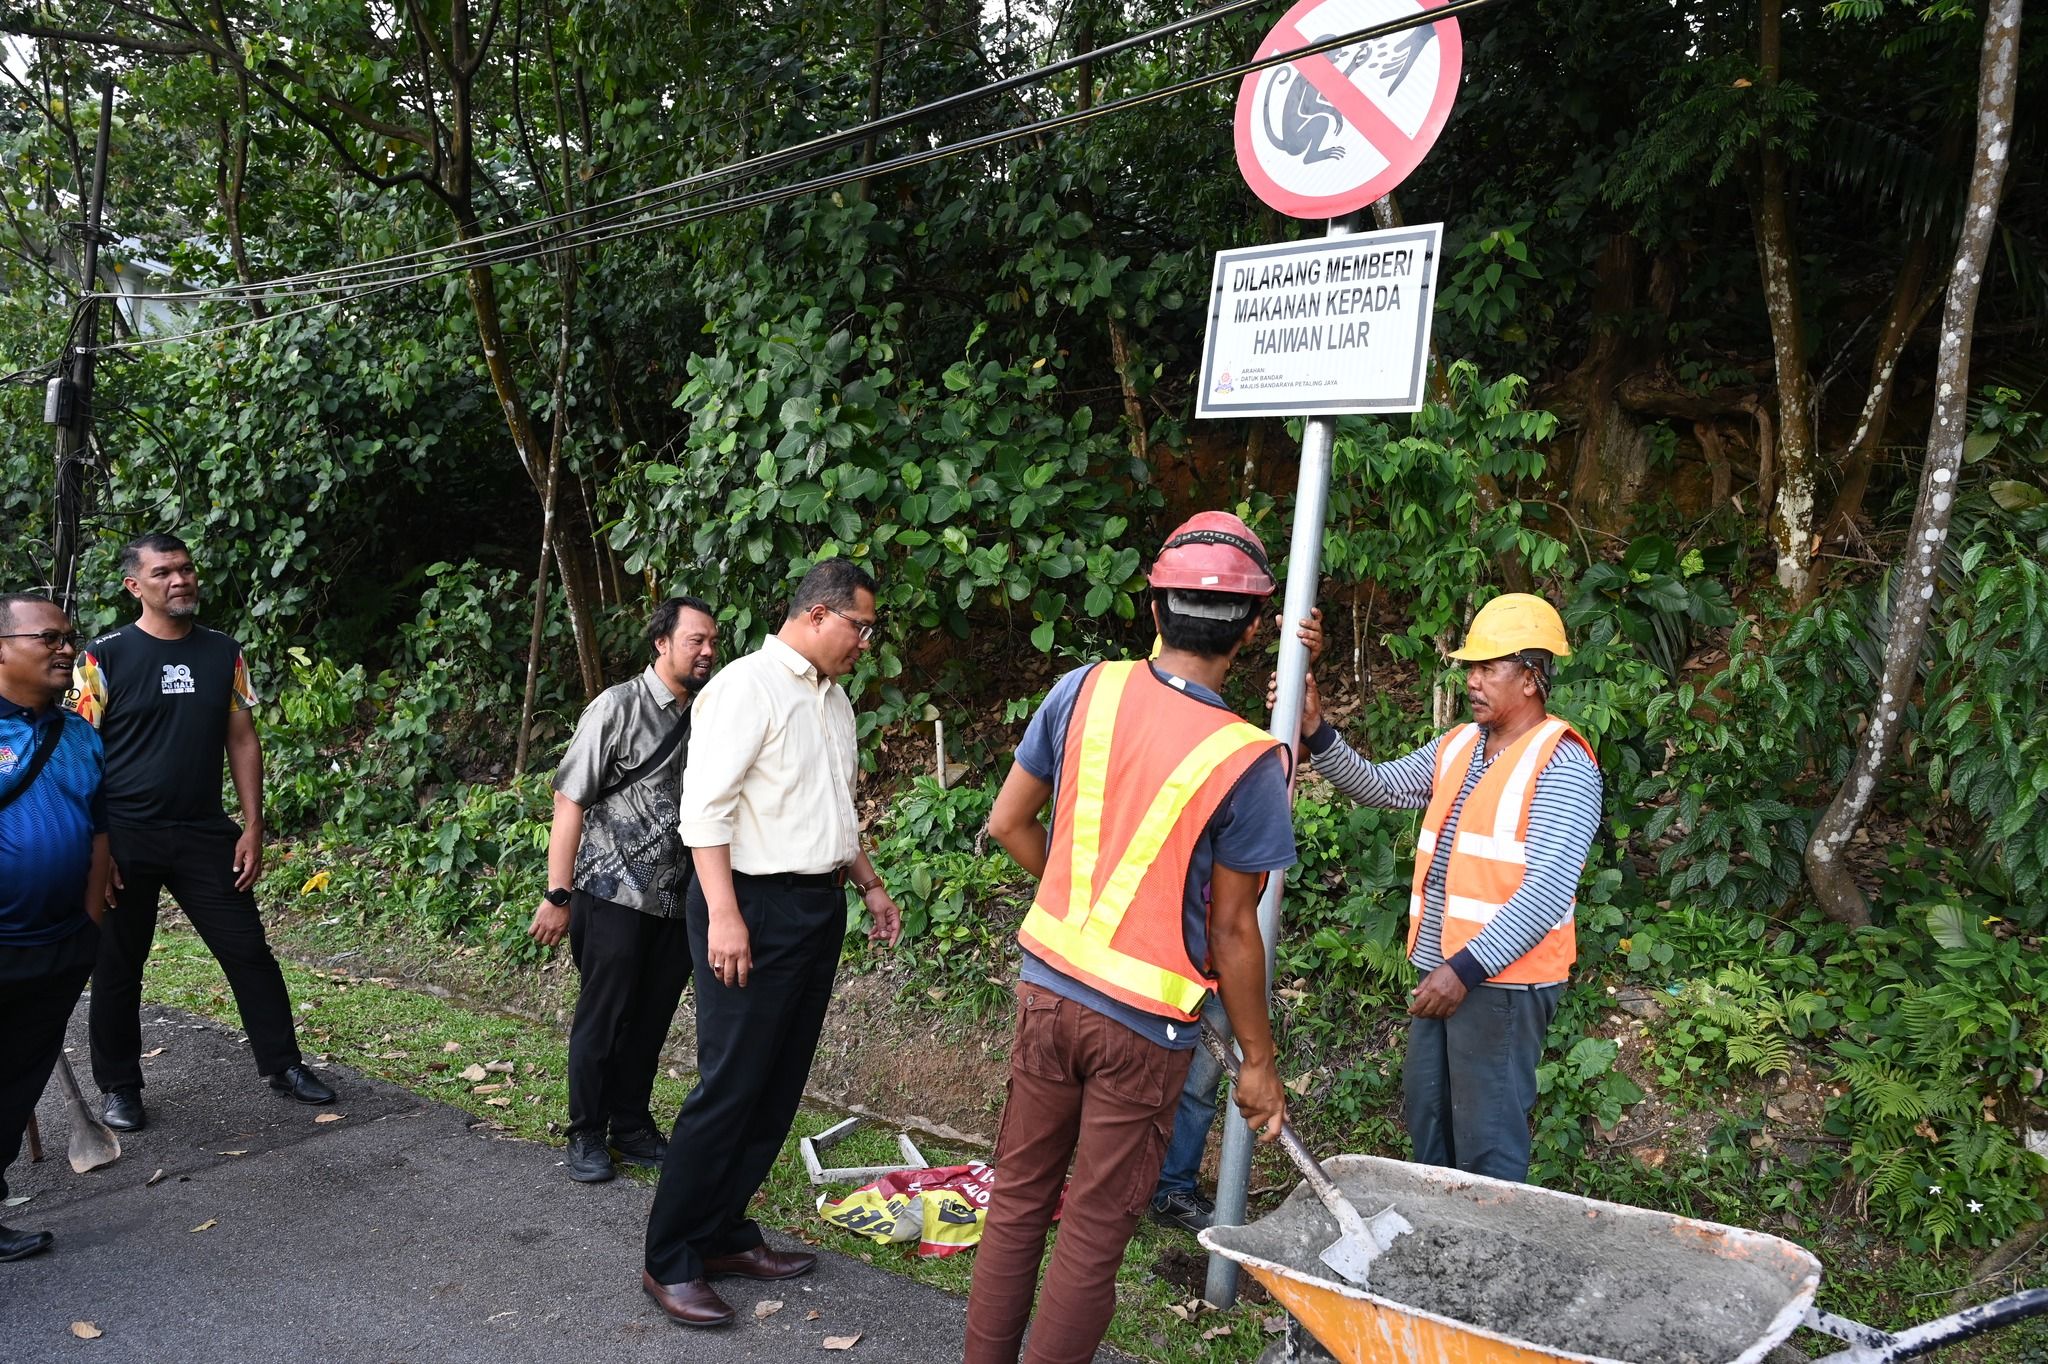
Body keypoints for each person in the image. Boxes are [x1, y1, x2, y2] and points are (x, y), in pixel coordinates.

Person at [965, 512, 1295, 1364]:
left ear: (1155, 610)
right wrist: (1256, 1062)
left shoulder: (1084, 688)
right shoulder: (1248, 758)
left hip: (1046, 992)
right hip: (1145, 1030)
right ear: (1252, 632)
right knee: (1094, 1232)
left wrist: (1076, 908)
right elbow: (1233, 929)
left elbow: (1007, 822)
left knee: (1020, 1203)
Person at [641, 559, 903, 1330]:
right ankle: (671, 1259)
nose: (866, 642)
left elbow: (833, 806)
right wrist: (723, 915)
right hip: (749, 905)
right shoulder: (745, 687)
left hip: (814, 907)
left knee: (777, 1084)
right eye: (860, 626)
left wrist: (870, 883)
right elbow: (705, 814)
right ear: (818, 615)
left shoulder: (832, 700)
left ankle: (723, 1233)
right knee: (729, 1085)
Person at [1293, 592, 1601, 1183]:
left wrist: (1463, 970)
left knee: (1486, 1144)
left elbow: (1546, 891)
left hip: (1500, 984)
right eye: (1471, 668)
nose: (1474, 682)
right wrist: (1318, 732)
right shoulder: (1461, 744)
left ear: (1533, 677)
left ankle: (1487, 1265)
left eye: (1490, 668)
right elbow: (1381, 787)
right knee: (1429, 1120)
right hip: (1446, 974)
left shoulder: (1563, 764)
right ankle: (1437, 1254)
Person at [74, 532, 333, 1132]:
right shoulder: (103, 657)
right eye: (163, 572)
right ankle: (120, 1088)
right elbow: (80, 753)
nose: (180, 580)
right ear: (134, 586)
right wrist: (97, 844)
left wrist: (253, 825)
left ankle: (284, 1065)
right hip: (125, 836)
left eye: (186, 570)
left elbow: (241, 737)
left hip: (202, 832)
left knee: (249, 952)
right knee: (118, 966)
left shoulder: (223, 652)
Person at [529, 596, 718, 1183]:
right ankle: (585, 1130)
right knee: (604, 1016)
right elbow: (570, 800)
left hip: (675, 897)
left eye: (713, 641)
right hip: (610, 892)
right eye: (696, 640)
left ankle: (631, 1126)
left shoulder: (712, 712)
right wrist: (558, 895)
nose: (708, 651)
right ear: (661, 643)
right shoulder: (617, 707)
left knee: (654, 1015)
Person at [0, 593, 112, 1261]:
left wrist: (89, 927)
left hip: (57, 948)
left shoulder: (81, 736)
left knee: (15, 1085)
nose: (66, 648)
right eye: (48, 637)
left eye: (69, 636)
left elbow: (100, 837)